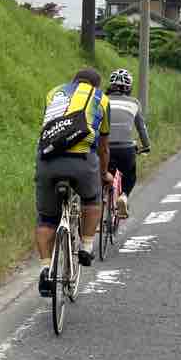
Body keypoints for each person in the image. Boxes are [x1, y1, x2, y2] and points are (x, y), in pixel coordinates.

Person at [36, 67, 112, 297]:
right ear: (95, 85)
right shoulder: (101, 98)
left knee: (46, 219)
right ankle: (87, 246)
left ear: (73, 81)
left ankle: (45, 268)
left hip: (47, 160)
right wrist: (103, 174)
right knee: (92, 200)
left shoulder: (53, 93)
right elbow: (103, 146)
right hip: (82, 160)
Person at [105, 68, 150, 219]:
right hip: (126, 148)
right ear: (129, 87)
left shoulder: (102, 100)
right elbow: (141, 128)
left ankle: (100, 203)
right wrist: (146, 146)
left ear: (111, 85)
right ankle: (124, 195)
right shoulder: (134, 103)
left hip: (104, 147)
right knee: (130, 175)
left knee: (102, 175)